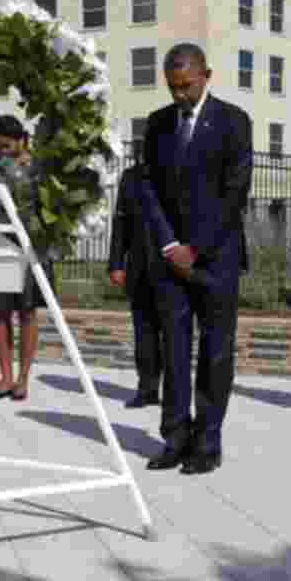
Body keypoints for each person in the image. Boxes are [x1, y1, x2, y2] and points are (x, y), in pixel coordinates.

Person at [139, 43, 253, 475]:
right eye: (172, 87)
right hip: (170, 261)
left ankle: (207, 441)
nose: (179, 95)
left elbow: (235, 192)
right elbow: (146, 187)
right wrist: (170, 246)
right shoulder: (158, 124)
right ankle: (174, 436)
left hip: (215, 258)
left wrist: (196, 249)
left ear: (206, 75)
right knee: (174, 352)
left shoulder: (233, 122)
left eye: (186, 86)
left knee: (215, 352)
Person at [0, 114, 50, 402]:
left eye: (8, 146)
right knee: (0, 311)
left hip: (32, 244)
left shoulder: (39, 167)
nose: (3, 152)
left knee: (28, 311)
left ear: (23, 139)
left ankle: (23, 379)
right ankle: (5, 377)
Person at [108, 162, 164, 408]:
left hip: (173, 268)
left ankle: (174, 392)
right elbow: (121, 222)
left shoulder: (180, 168)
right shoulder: (131, 177)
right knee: (144, 333)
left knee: (174, 336)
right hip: (140, 267)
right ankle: (148, 388)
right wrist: (116, 263)